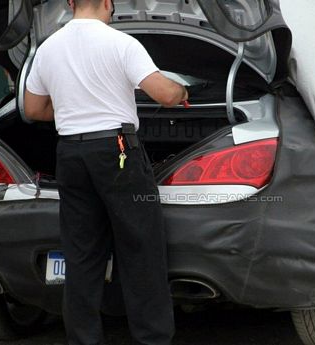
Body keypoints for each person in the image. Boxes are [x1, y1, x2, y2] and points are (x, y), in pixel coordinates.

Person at [24, 0, 189, 344]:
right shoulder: (121, 43)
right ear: (107, 2)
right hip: (116, 152)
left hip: (70, 153)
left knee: (81, 253)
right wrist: (182, 90)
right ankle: (152, 338)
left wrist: (76, 106)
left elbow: (33, 108)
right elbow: (164, 93)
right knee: (140, 248)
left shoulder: (48, 47)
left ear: (69, 3)